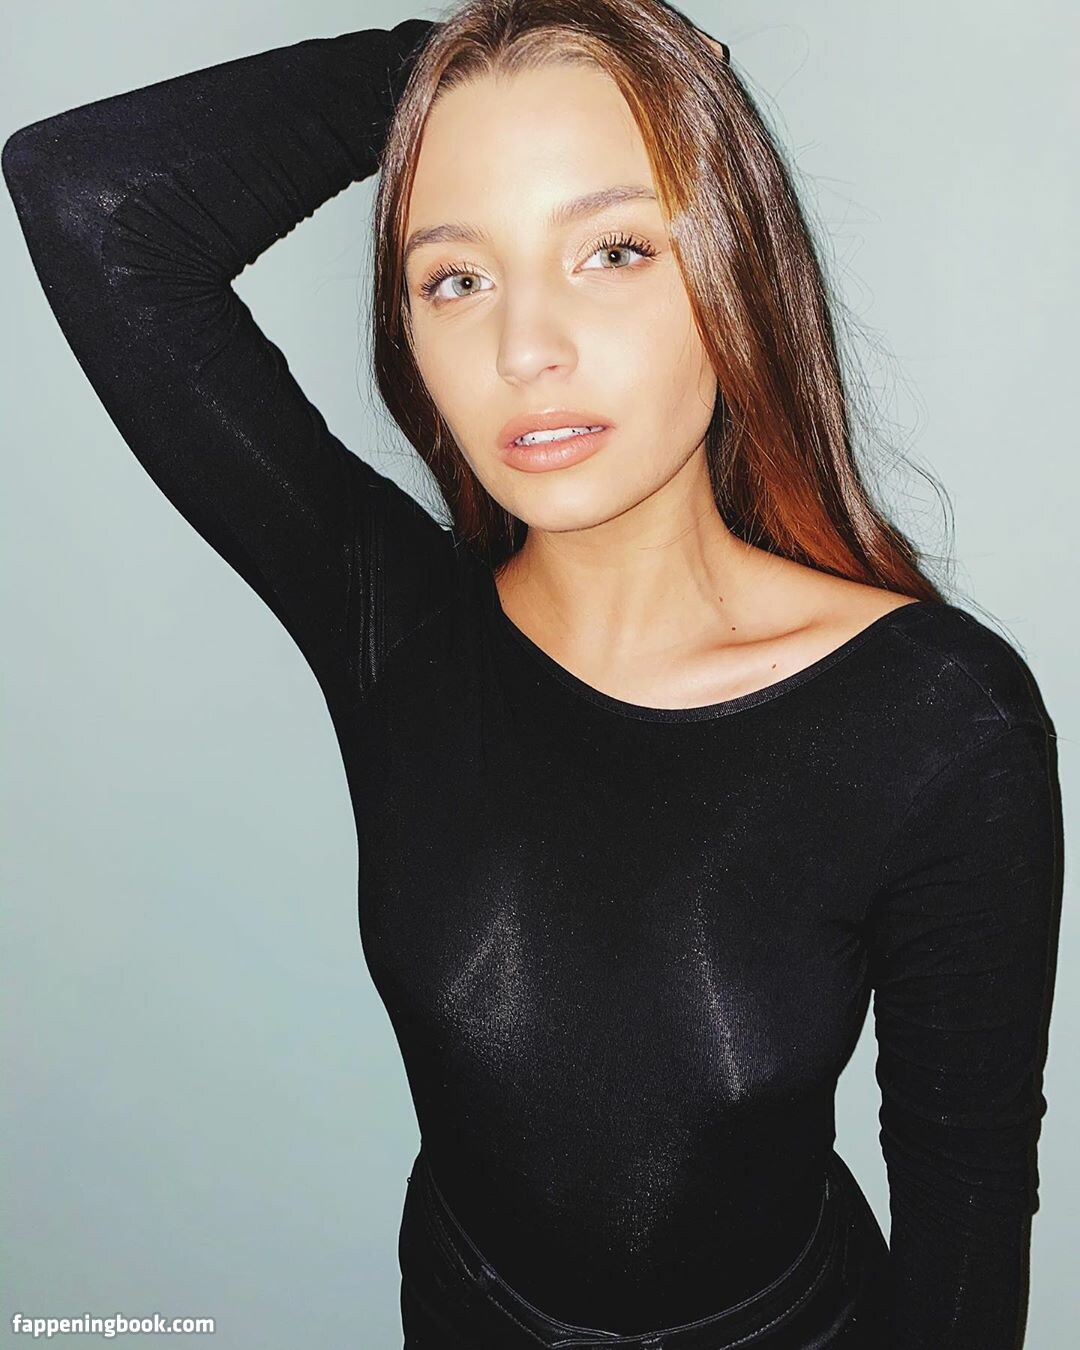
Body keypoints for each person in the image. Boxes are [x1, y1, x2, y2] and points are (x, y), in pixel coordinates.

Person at [2, 1, 1062, 1346]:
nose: (524, 350)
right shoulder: (395, 627)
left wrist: (607, 52)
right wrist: (475, 50)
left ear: (733, 271)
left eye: (612, 250)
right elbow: (85, 196)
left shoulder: (938, 721)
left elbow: (969, 1196)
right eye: (456, 277)